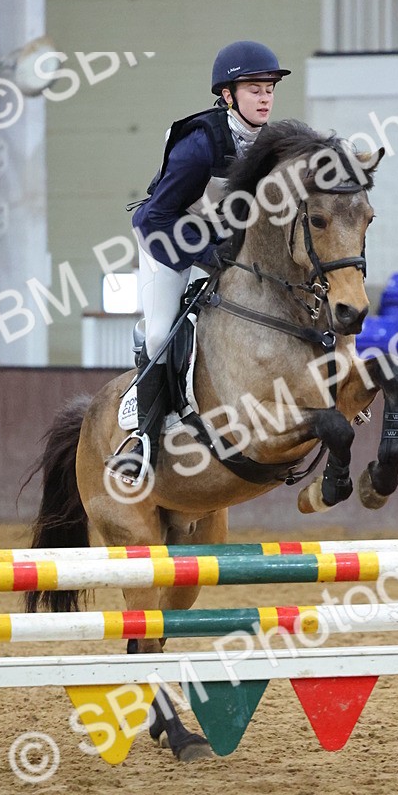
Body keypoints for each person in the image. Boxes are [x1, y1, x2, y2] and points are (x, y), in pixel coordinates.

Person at [109, 40, 290, 482]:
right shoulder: (200, 145)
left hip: (227, 249)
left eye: (269, 88)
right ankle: (144, 440)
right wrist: (210, 257)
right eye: (254, 88)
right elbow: (157, 216)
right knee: (157, 334)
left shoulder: (275, 144)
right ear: (227, 95)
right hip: (169, 241)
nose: (266, 96)